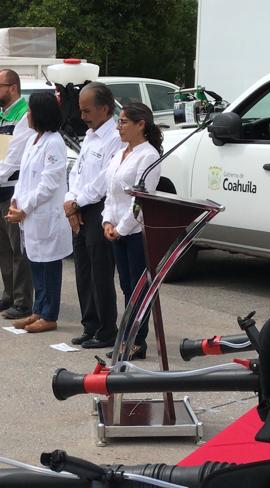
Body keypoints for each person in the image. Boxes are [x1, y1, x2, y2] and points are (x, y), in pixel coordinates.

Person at [5, 92, 71, 334]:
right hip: (30, 215)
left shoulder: (54, 142)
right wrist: (16, 201)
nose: (28, 115)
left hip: (44, 214)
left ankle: (49, 314)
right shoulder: (35, 139)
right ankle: (38, 309)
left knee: (49, 266)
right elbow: (24, 177)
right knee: (35, 263)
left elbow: (48, 184)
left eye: (31, 111)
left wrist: (25, 208)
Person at [102, 103, 163, 359]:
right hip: (116, 228)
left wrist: (122, 228)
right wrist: (107, 221)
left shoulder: (148, 155)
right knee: (126, 285)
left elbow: (140, 199)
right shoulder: (120, 153)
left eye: (124, 122)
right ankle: (127, 335)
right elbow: (111, 193)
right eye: (119, 121)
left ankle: (138, 339)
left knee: (138, 287)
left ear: (141, 124)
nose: (119, 127)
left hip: (136, 232)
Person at [65, 82, 124, 348]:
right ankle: (89, 325)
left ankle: (106, 329)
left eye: (87, 110)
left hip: (98, 206)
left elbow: (104, 180)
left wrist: (78, 201)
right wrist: (70, 200)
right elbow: (77, 171)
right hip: (80, 206)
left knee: (100, 272)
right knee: (83, 270)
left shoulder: (114, 137)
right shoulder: (90, 135)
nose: (83, 116)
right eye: (81, 110)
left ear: (104, 108)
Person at [0, 69, 34, 319]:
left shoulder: (24, 116)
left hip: (13, 188)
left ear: (13, 88)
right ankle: (9, 294)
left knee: (18, 250)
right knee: (3, 246)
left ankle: (23, 301)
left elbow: (15, 155)